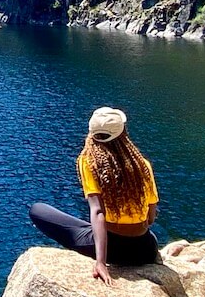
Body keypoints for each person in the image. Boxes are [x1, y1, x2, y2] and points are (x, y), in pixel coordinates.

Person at [28, 107, 159, 284]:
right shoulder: (142, 165)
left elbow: (98, 211)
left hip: (114, 251)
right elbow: (150, 219)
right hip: (145, 250)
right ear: (123, 132)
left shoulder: (89, 162)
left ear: (92, 133)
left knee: (38, 210)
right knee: (89, 226)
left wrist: (101, 262)